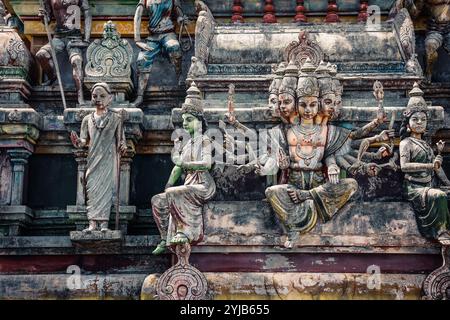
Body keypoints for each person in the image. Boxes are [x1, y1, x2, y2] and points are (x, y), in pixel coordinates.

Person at [151, 82, 216, 254]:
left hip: (203, 184)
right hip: (188, 183)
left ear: (200, 121)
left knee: (176, 192)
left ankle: (185, 232)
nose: (185, 124)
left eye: (189, 120)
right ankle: (165, 238)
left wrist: (185, 164)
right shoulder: (186, 144)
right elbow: (177, 168)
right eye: (183, 120)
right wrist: (168, 185)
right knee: (158, 200)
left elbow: (207, 164)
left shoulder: (204, 140)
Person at [70, 83, 127, 232]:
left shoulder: (116, 118)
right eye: (95, 96)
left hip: (108, 159)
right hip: (92, 159)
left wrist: (123, 146)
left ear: (110, 98)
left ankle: (103, 224)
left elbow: (121, 140)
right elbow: (83, 141)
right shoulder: (87, 120)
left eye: (102, 96)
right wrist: (77, 142)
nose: (98, 99)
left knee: (105, 190)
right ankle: (92, 223)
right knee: (92, 189)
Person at [399, 82, 450, 241]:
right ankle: (442, 232)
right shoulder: (406, 143)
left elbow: (437, 167)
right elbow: (404, 166)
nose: (419, 122)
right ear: (408, 124)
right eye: (415, 119)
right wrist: (430, 165)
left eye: (423, 119)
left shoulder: (427, 145)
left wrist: (447, 182)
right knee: (439, 196)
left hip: (429, 183)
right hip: (414, 187)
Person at [133, 0, 188, 106]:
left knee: (174, 48)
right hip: (153, 37)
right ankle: (139, 96)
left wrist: (181, 19)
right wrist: (137, 40)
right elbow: (137, 16)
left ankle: (180, 75)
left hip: (168, 34)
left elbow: (179, 14)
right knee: (142, 59)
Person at [36, 0, 92, 105]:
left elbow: (87, 14)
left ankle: (81, 97)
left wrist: (87, 39)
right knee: (41, 55)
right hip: (58, 36)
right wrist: (42, 16)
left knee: (76, 61)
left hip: (75, 37)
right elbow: (47, 20)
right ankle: (52, 77)